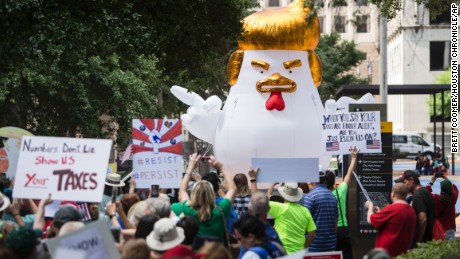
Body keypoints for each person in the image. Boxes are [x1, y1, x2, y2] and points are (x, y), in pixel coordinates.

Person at [177, 153, 236, 243]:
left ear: (193, 194)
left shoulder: (189, 210)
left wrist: (190, 167)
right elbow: (232, 188)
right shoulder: (221, 210)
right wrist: (222, 168)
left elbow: (182, 190)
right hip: (218, 253)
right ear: (212, 194)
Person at [365, 183, 416, 257]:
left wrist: (370, 206)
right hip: (402, 253)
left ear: (393, 194)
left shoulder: (391, 209)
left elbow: (370, 220)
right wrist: (380, 213)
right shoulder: (411, 210)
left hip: (386, 253)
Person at [268, 183, 316, 254]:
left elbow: (258, 199)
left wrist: (253, 179)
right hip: (299, 252)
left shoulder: (279, 208)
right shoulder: (305, 211)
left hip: (283, 252)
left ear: (283, 195)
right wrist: (305, 247)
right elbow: (312, 234)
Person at [395, 170, 435, 247]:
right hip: (427, 239)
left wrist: (417, 241)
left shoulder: (418, 195)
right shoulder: (424, 191)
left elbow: (423, 219)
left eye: (404, 182)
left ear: (411, 181)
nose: (403, 186)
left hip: (423, 242)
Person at [301, 171, 338, 252]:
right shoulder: (333, 197)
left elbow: (305, 223)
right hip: (330, 244)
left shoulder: (310, 197)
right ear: (325, 180)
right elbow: (335, 223)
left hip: (314, 245)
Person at [332, 146, 358, 259]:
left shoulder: (320, 197)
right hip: (343, 230)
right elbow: (348, 174)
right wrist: (353, 158)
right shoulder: (340, 191)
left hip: (330, 231)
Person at [426, 174, 459, 240]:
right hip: (450, 228)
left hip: (439, 228)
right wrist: (446, 179)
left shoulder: (437, 199)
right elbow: (455, 188)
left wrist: (431, 182)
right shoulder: (454, 196)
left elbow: (426, 193)